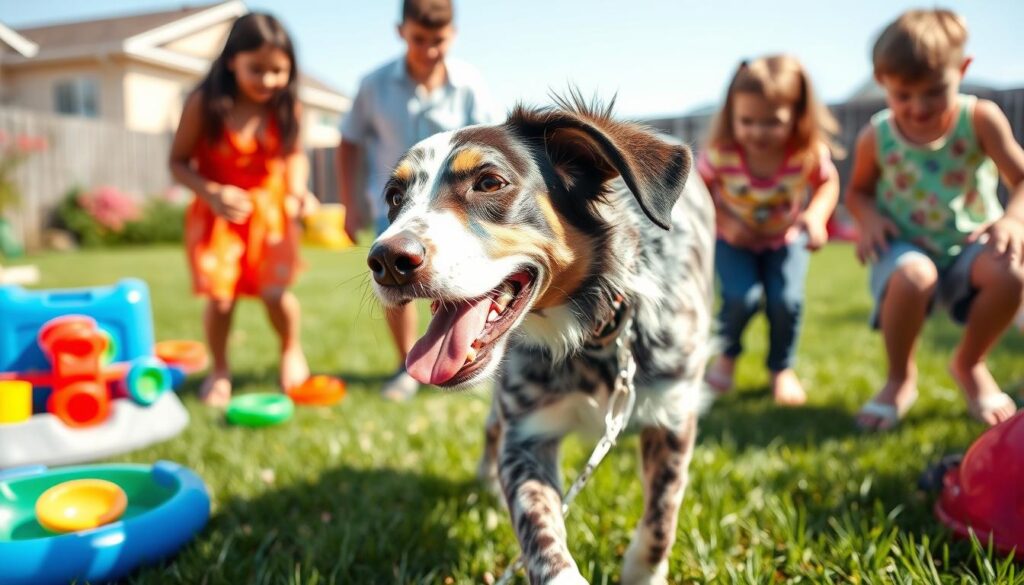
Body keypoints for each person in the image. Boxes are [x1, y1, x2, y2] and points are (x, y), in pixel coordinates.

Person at [847, 9, 1024, 430]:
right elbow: (857, 192)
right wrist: (868, 219)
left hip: (970, 244)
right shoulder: (878, 136)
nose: (918, 108)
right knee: (914, 276)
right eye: (902, 96)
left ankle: (969, 364)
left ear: (961, 70)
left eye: (933, 92)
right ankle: (899, 378)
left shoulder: (979, 119)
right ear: (882, 82)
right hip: (906, 247)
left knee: (1012, 274)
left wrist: (1014, 220)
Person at [338, 0, 497, 401]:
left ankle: (463, 354)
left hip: (454, 217)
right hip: (394, 208)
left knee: (458, 283)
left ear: (453, 35)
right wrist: (349, 202)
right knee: (396, 279)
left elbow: (494, 145)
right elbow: (349, 141)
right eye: (418, 40)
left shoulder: (469, 84)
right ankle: (405, 364)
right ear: (401, 32)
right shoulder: (374, 85)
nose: (428, 51)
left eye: (438, 41)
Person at [170, 12, 318, 406]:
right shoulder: (204, 103)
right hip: (218, 216)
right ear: (232, 59)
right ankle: (219, 371)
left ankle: (290, 350)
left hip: (270, 218)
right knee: (221, 298)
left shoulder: (286, 106)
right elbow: (178, 161)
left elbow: (295, 155)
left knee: (275, 293)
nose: (268, 81)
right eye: (257, 69)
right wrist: (212, 191)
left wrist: (299, 190)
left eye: (278, 70)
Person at [700, 55, 842, 406]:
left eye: (772, 122)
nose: (758, 132)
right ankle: (727, 357)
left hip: (785, 240)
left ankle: (781, 368)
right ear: (731, 114)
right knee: (739, 299)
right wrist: (727, 222)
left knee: (786, 300)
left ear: (797, 116)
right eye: (747, 121)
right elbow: (697, 193)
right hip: (734, 242)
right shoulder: (721, 153)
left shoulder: (805, 152)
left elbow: (828, 183)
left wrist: (816, 215)